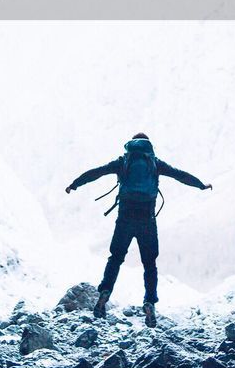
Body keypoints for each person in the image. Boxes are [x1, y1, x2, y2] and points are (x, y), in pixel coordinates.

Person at [66, 133, 211, 327]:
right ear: (149, 146)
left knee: (115, 258)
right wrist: (201, 185)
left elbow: (96, 172)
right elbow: (180, 175)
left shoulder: (123, 161)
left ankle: (104, 293)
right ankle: (149, 302)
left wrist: (74, 184)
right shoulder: (154, 163)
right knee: (149, 264)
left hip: (125, 218)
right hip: (147, 221)